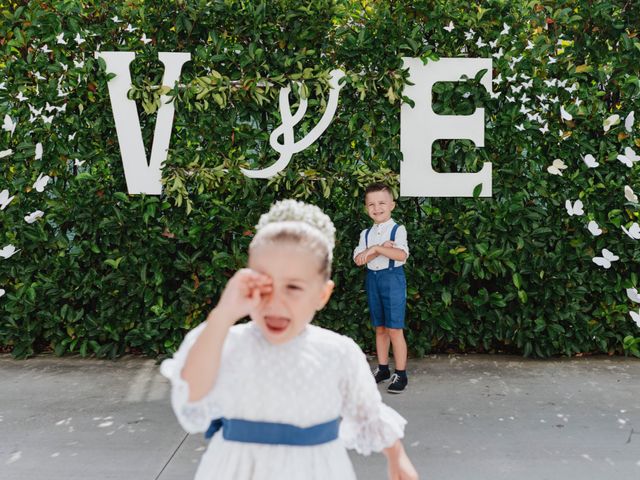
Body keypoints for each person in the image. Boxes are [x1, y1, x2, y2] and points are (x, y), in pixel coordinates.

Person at [161, 199, 418, 480]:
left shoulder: (337, 352)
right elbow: (192, 390)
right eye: (265, 284)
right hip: (237, 469)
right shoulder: (225, 341)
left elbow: (367, 412)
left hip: (315, 469)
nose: (276, 302)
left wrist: (397, 457)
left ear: (322, 294)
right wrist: (224, 313)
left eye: (293, 287)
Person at [353, 183, 409, 393]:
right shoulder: (365, 233)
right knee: (380, 328)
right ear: (366, 207)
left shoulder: (398, 229)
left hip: (392, 279)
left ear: (392, 205)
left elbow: (401, 255)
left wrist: (375, 249)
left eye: (382, 203)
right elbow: (359, 259)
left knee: (395, 328)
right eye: (371, 204)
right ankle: (383, 368)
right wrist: (381, 249)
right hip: (373, 279)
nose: (377, 208)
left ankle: (401, 374)